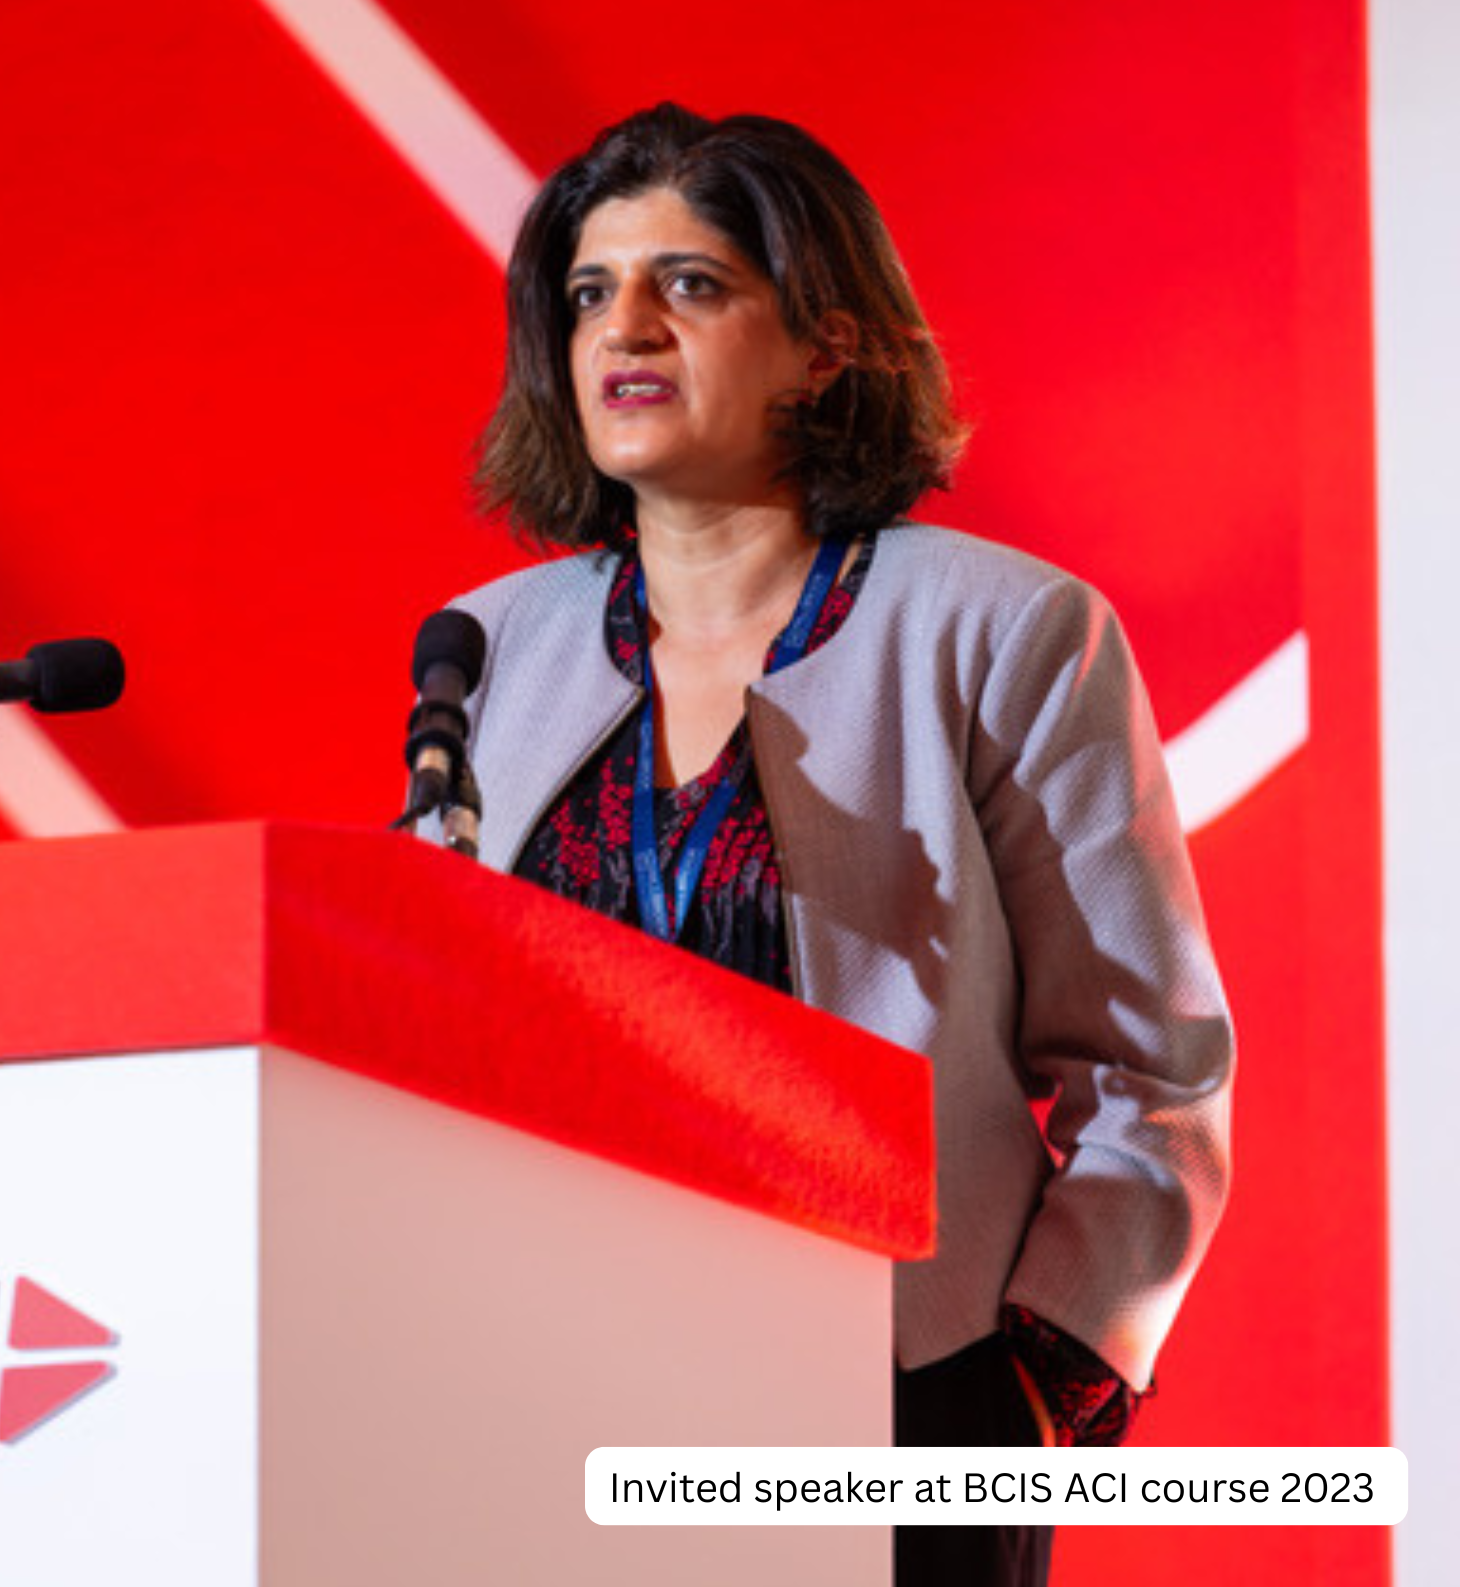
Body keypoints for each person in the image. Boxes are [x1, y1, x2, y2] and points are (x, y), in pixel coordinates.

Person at [431, 104, 1233, 1587]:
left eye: (693, 283)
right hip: (539, 1379)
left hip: (893, 1393)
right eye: (592, 291)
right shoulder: (487, 650)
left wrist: (1029, 1381)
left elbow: (1153, 1069)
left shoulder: (1007, 631)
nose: (629, 326)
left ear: (828, 345)